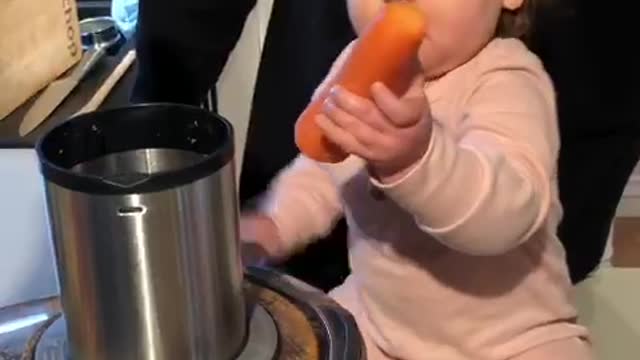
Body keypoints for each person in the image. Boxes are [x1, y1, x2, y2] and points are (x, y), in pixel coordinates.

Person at [240, 0, 593, 358]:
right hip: (378, 325)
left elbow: (505, 215)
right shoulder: (355, 62)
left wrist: (416, 160)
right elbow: (324, 170)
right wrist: (275, 223)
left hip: (512, 340)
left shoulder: (508, 80)